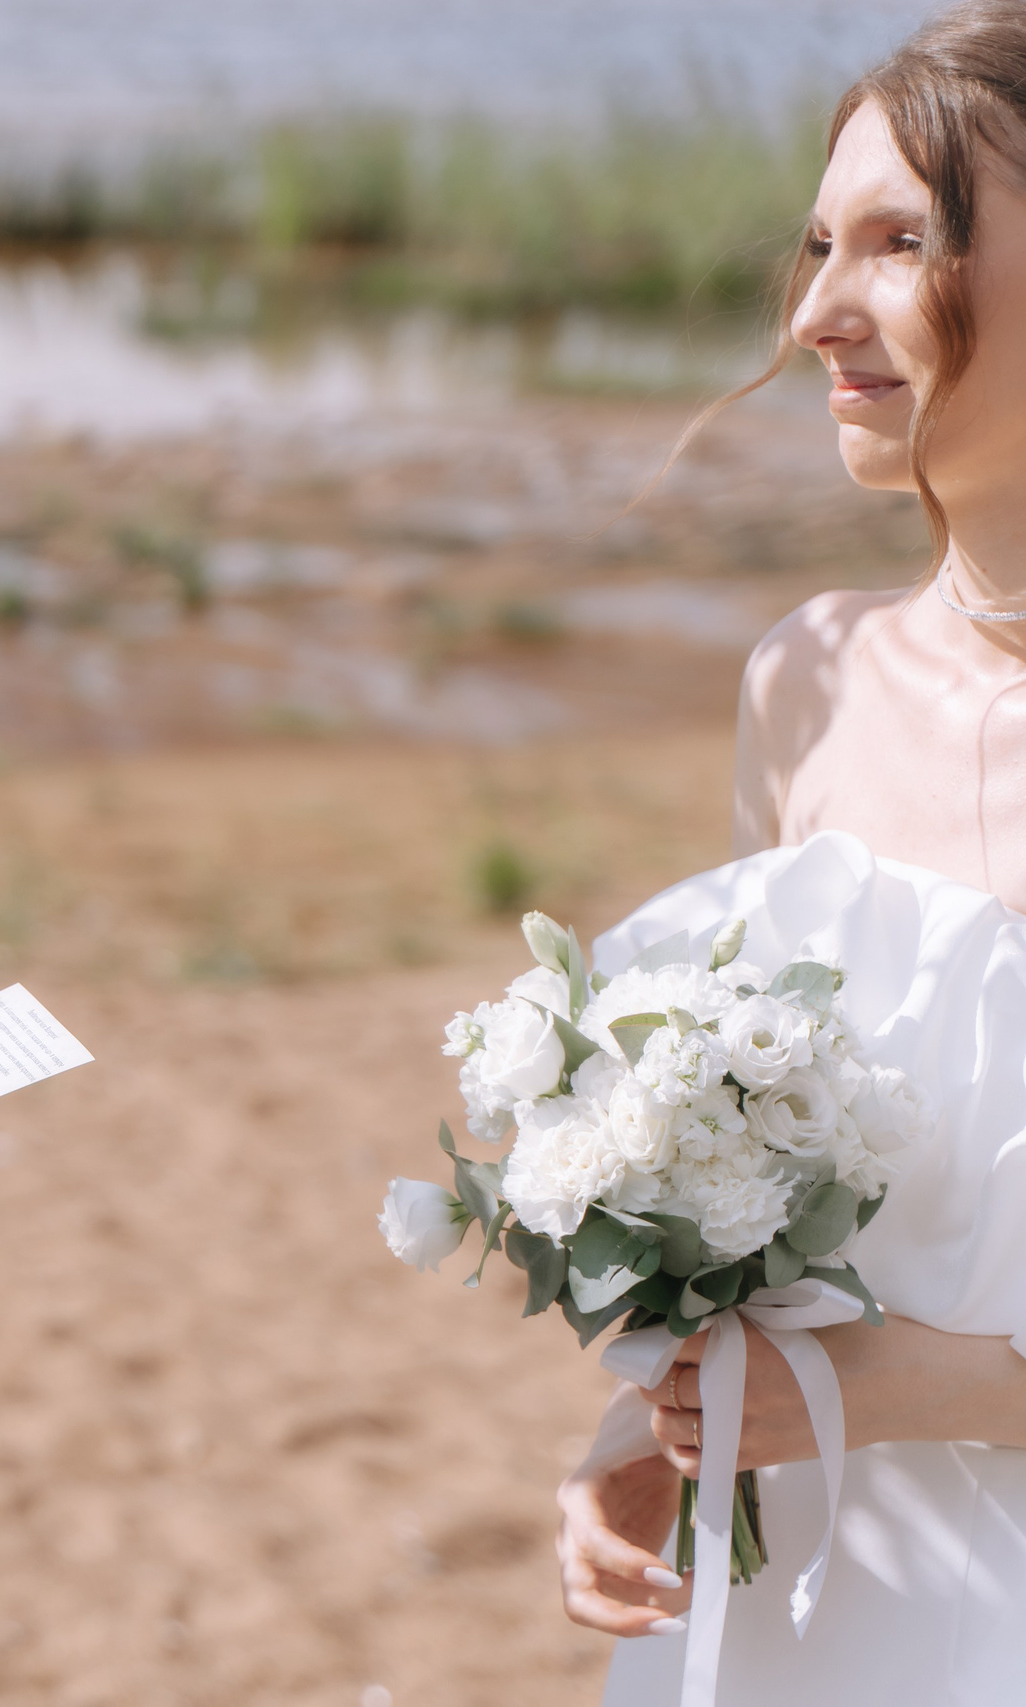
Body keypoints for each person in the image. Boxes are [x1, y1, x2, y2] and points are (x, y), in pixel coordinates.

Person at [552, 2, 1026, 1697]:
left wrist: (930, 1393)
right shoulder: (807, 681)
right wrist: (654, 1419)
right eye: (822, 241)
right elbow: (785, 1199)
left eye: (904, 242)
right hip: (812, 1594)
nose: (818, 309)